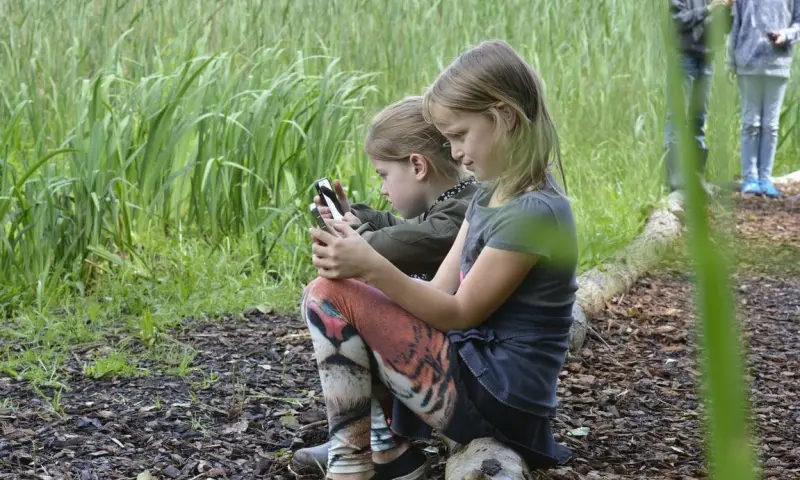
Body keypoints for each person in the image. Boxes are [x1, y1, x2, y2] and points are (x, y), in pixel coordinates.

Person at [302, 40, 577, 480]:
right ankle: (385, 453)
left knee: (328, 294)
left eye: (460, 134)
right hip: (477, 379)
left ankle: (355, 462)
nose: (454, 152)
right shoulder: (488, 196)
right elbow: (435, 291)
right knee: (346, 293)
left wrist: (370, 267)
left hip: (500, 399)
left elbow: (459, 312)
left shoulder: (534, 213)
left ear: (505, 117)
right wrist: (365, 278)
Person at [290, 96, 478, 475]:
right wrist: (359, 218)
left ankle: (361, 452)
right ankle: (381, 444)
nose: (382, 188)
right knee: (360, 299)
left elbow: (415, 241)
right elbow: (407, 232)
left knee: (333, 297)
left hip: (465, 385)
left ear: (417, 165)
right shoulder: (451, 204)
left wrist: (356, 248)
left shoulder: (459, 213)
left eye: (383, 175)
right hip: (458, 372)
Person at [727, 0, 800, 198]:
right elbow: (735, 23)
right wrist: (730, 62)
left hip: (778, 64)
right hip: (748, 64)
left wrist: (785, 35)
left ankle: (765, 179)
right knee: (751, 123)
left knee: (771, 126)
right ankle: (750, 178)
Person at [664, 0, 733, 193]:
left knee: (698, 119)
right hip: (683, 57)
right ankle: (675, 179)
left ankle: (696, 176)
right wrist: (710, 8)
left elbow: (725, 28)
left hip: (708, 59)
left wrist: (729, 10)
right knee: (677, 117)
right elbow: (678, 20)